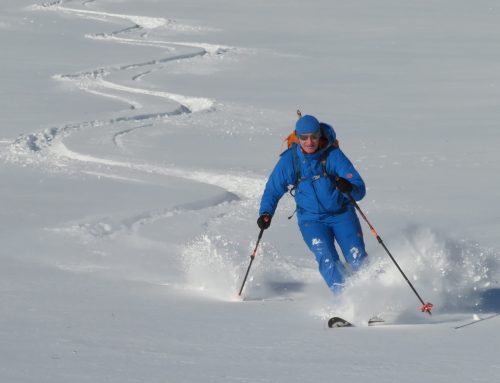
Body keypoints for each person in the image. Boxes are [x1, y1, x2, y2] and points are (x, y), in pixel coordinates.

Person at [257, 114, 368, 294]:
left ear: (320, 135)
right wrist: (265, 213)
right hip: (311, 220)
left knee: (357, 258)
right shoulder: (290, 160)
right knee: (326, 258)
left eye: (314, 137)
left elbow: (359, 189)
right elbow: (273, 189)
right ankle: (346, 300)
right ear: (297, 137)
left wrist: (349, 187)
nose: (310, 142)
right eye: (304, 137)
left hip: (342, 215)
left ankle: (372, 296)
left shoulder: (333, 155)